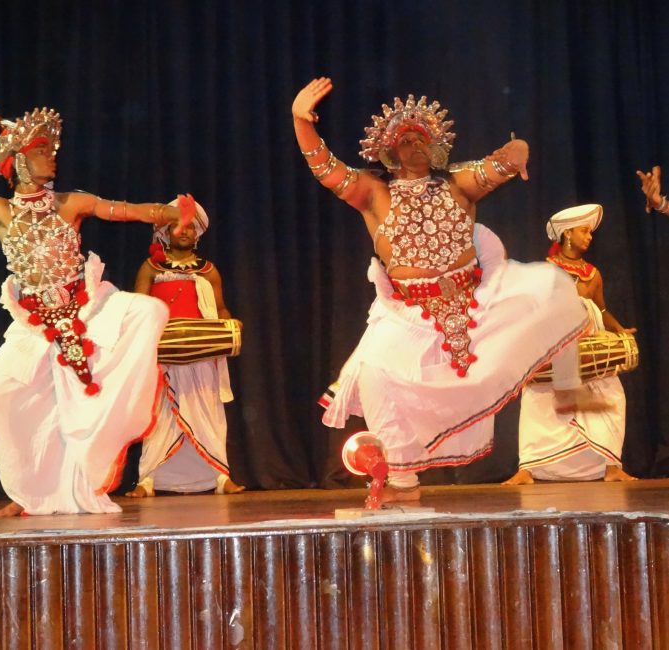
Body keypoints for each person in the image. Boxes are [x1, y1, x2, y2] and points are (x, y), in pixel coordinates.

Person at [293, 77, 593, 508]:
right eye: (406, 139)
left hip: (472, 306)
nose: (415, 144)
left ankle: (566, 389)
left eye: (422, 138)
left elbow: (508, 161)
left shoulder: (458, 183)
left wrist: (515, 154)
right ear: (389, 151)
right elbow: (325, 169)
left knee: (551, 286)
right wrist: (301, 121)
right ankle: (401, 480)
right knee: (378, 376)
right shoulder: (373, 192)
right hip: (407, 313)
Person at [0, 96, 191, 516]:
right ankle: (27, 494)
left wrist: (171, 212)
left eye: (51, 150)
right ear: (18, 162)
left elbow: (130, 211)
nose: (51, 157)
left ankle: (82, 477)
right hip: (31, 323)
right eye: (40, 151)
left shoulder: (70, 203)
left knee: (150, 312)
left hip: (85, 311)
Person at [504, 204, 637, 485]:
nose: (589, 237)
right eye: (584, 231)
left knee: (611, 396)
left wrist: (619, 330)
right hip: (557, 342)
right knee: (538, 398)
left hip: (591, 343)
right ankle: (526, 469)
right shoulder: (547, 269)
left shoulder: (593, 273)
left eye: (590, 232)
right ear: (567, 234)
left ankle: (611, 467)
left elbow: (601, 310)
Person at [125, 206, 244, 497]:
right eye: (178, 226)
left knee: (208, 411)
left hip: (201, 351)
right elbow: (139, 308)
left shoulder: (208, 270)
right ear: (165, 231)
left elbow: (219, 309)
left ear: (197, 234)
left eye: (190, 227)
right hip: (163, 351)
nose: (185, 231)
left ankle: (220, 477)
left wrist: (230, 323)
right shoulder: (151, 267)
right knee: (160, 413)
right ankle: (148, 480)